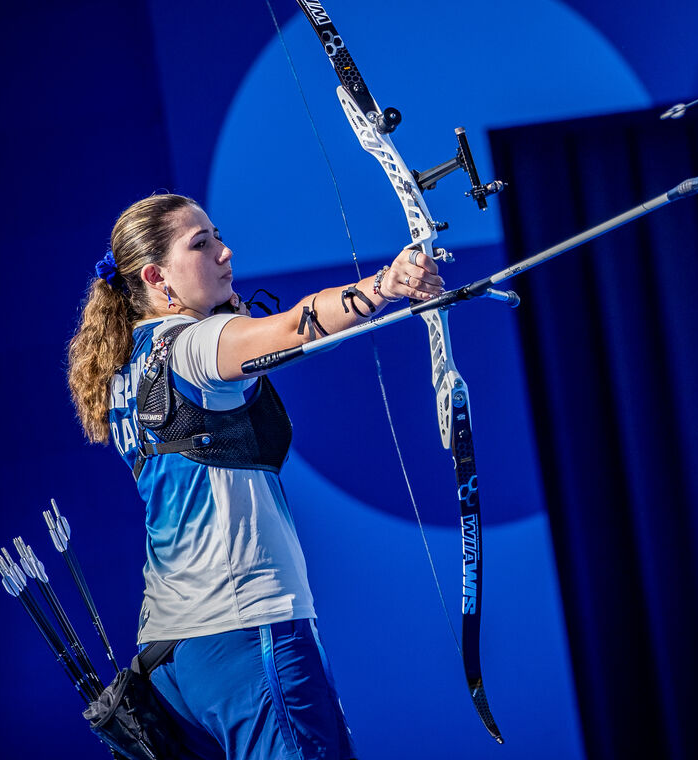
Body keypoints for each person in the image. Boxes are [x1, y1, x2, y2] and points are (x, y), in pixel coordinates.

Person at [66, 193, 443, 759]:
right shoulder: (192, 344)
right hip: (245, 636)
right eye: (201, 244)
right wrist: (386, 286)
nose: (224, 252)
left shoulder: (127, 367)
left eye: (216, 235)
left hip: (173, 658)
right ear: (156, 276)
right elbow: (293, 326)